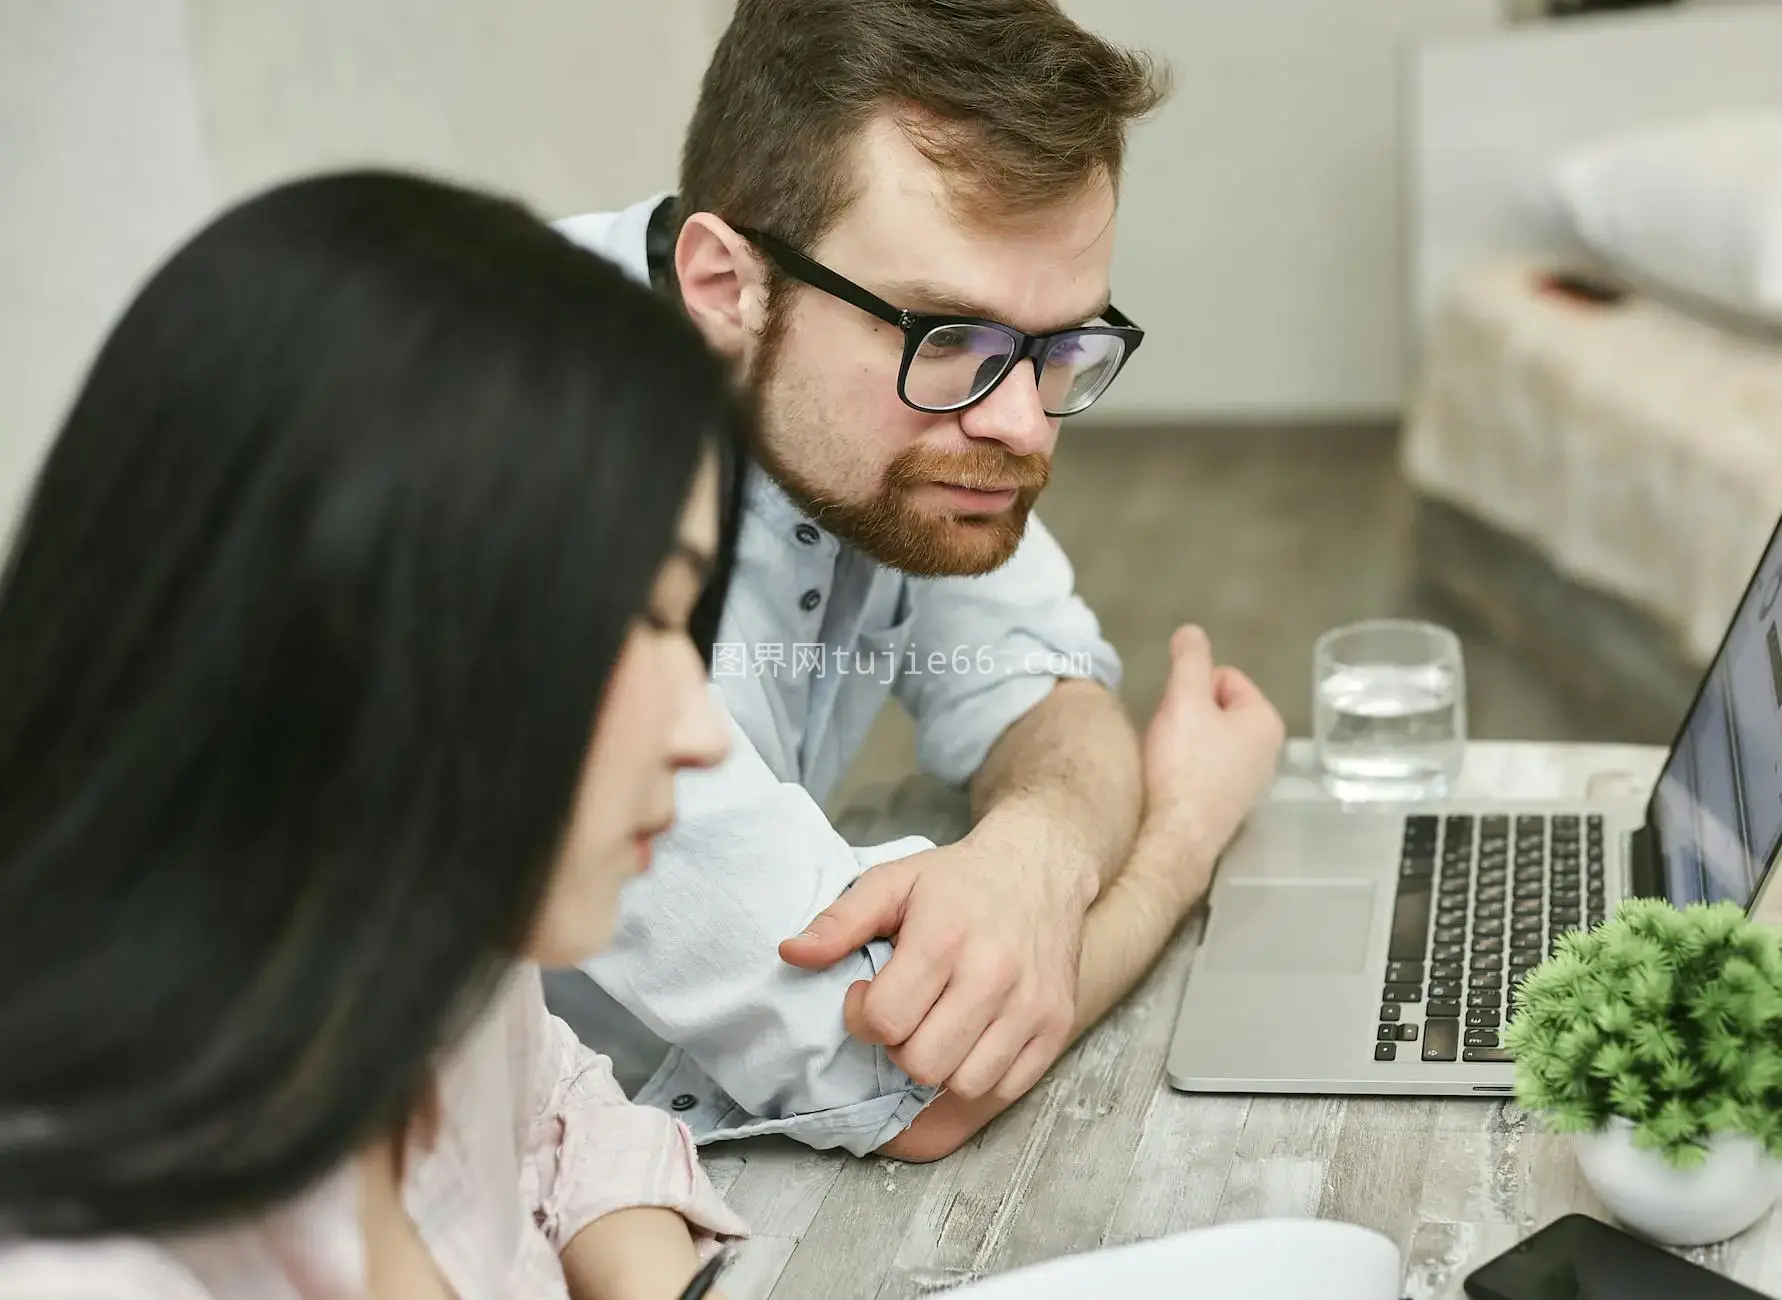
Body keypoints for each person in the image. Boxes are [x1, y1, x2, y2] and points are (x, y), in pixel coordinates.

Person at [543, 0, 1286, 1163]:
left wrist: (1039, 845)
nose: (1022, 425)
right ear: (725, 284)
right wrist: (1182, 831)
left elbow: (1041, 689)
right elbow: (903, 1080)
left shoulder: (878, 411)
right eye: (947, 337)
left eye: (1061, 347)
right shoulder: (531, 491)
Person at [0, 170, 750, 1298]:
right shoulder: (89, 1263)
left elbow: (557, 1103)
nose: (703, 731)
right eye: (635, 618)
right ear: (349, 624)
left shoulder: (423, 931)